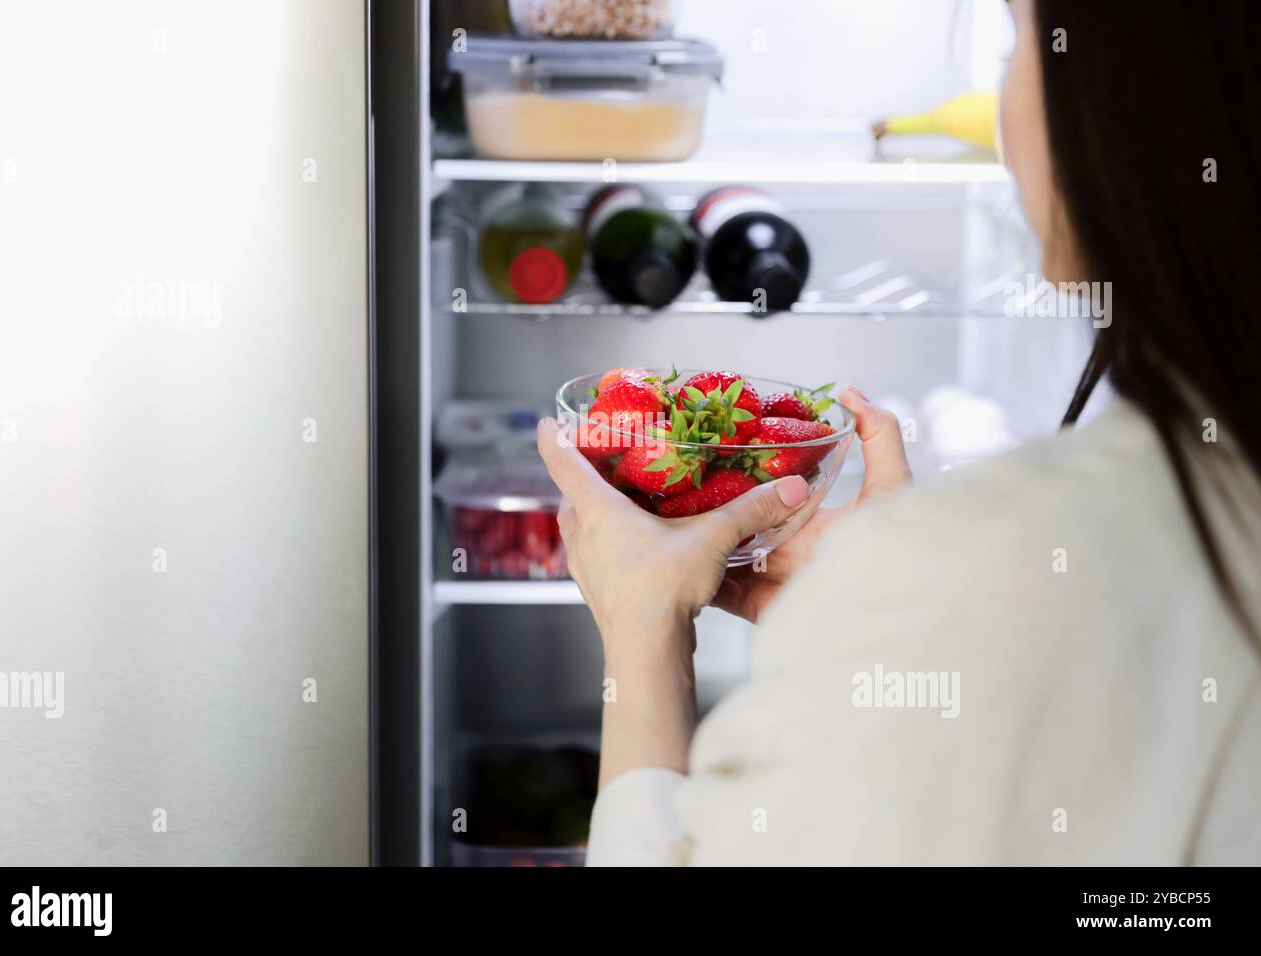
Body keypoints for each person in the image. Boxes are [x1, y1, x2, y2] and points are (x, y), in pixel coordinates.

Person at [536, 0, 1261, 865]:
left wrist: (645, 625)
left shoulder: (966, 572)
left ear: (1130, 88)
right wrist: (884, 607)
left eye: (1021, 36)